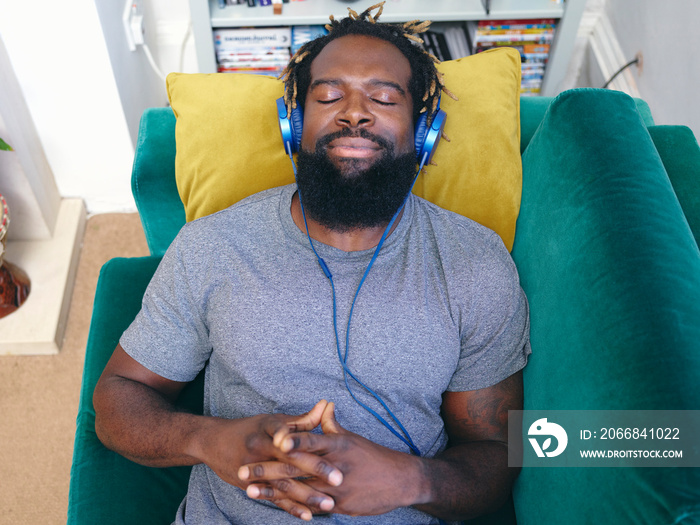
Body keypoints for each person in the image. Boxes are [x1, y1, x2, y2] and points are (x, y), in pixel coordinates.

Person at [93, 3, 531, 524]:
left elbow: (496, 453)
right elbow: (118, 399)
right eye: (328, 95)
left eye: (384, 98)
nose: (354, 112)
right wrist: (211, 440)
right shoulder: (212, 246)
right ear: (293, 125)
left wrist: (409, 479)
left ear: (424, 132)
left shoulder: (476, 264)